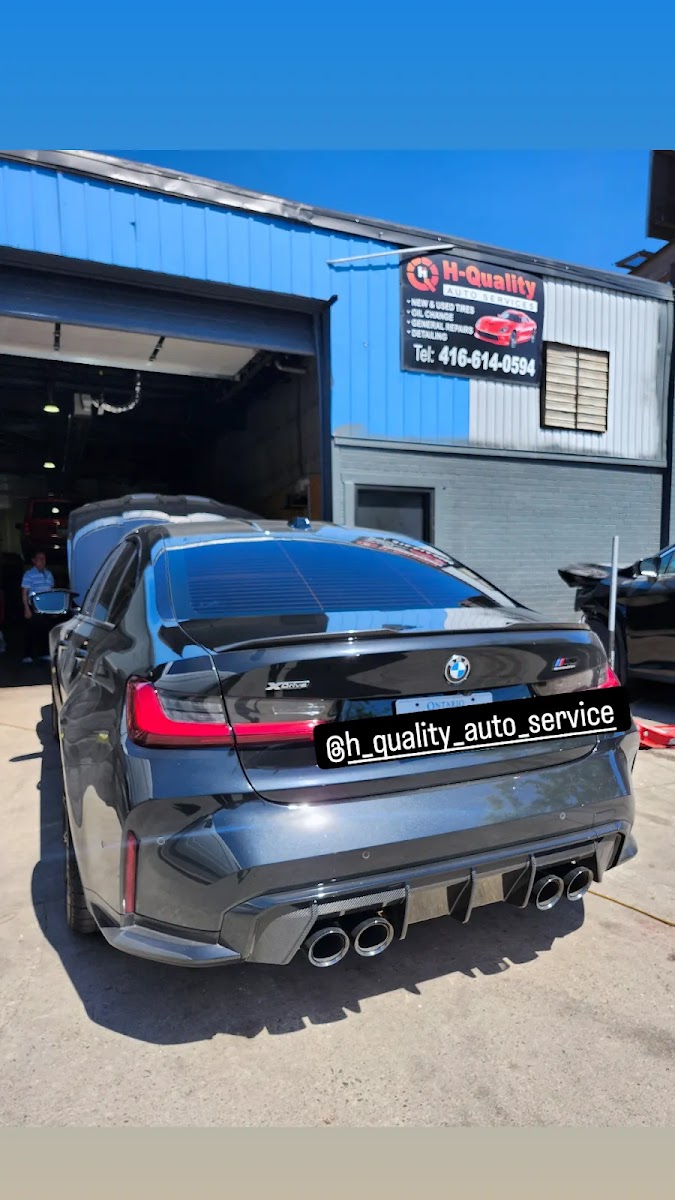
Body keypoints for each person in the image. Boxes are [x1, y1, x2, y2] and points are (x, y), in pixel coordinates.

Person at [21, 551, 55, 664]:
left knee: (45, 630)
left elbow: (51, 591)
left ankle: (43, 653)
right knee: (31, 631)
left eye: (44, 558)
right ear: (34, 561)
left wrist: (53, 608)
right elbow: (24, 592)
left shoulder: (49, 574)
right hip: (34, 606)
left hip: (47, 607)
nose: (42, 561)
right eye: (39, 558)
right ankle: (27, 654)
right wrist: (26, 609)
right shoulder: (29, 574)